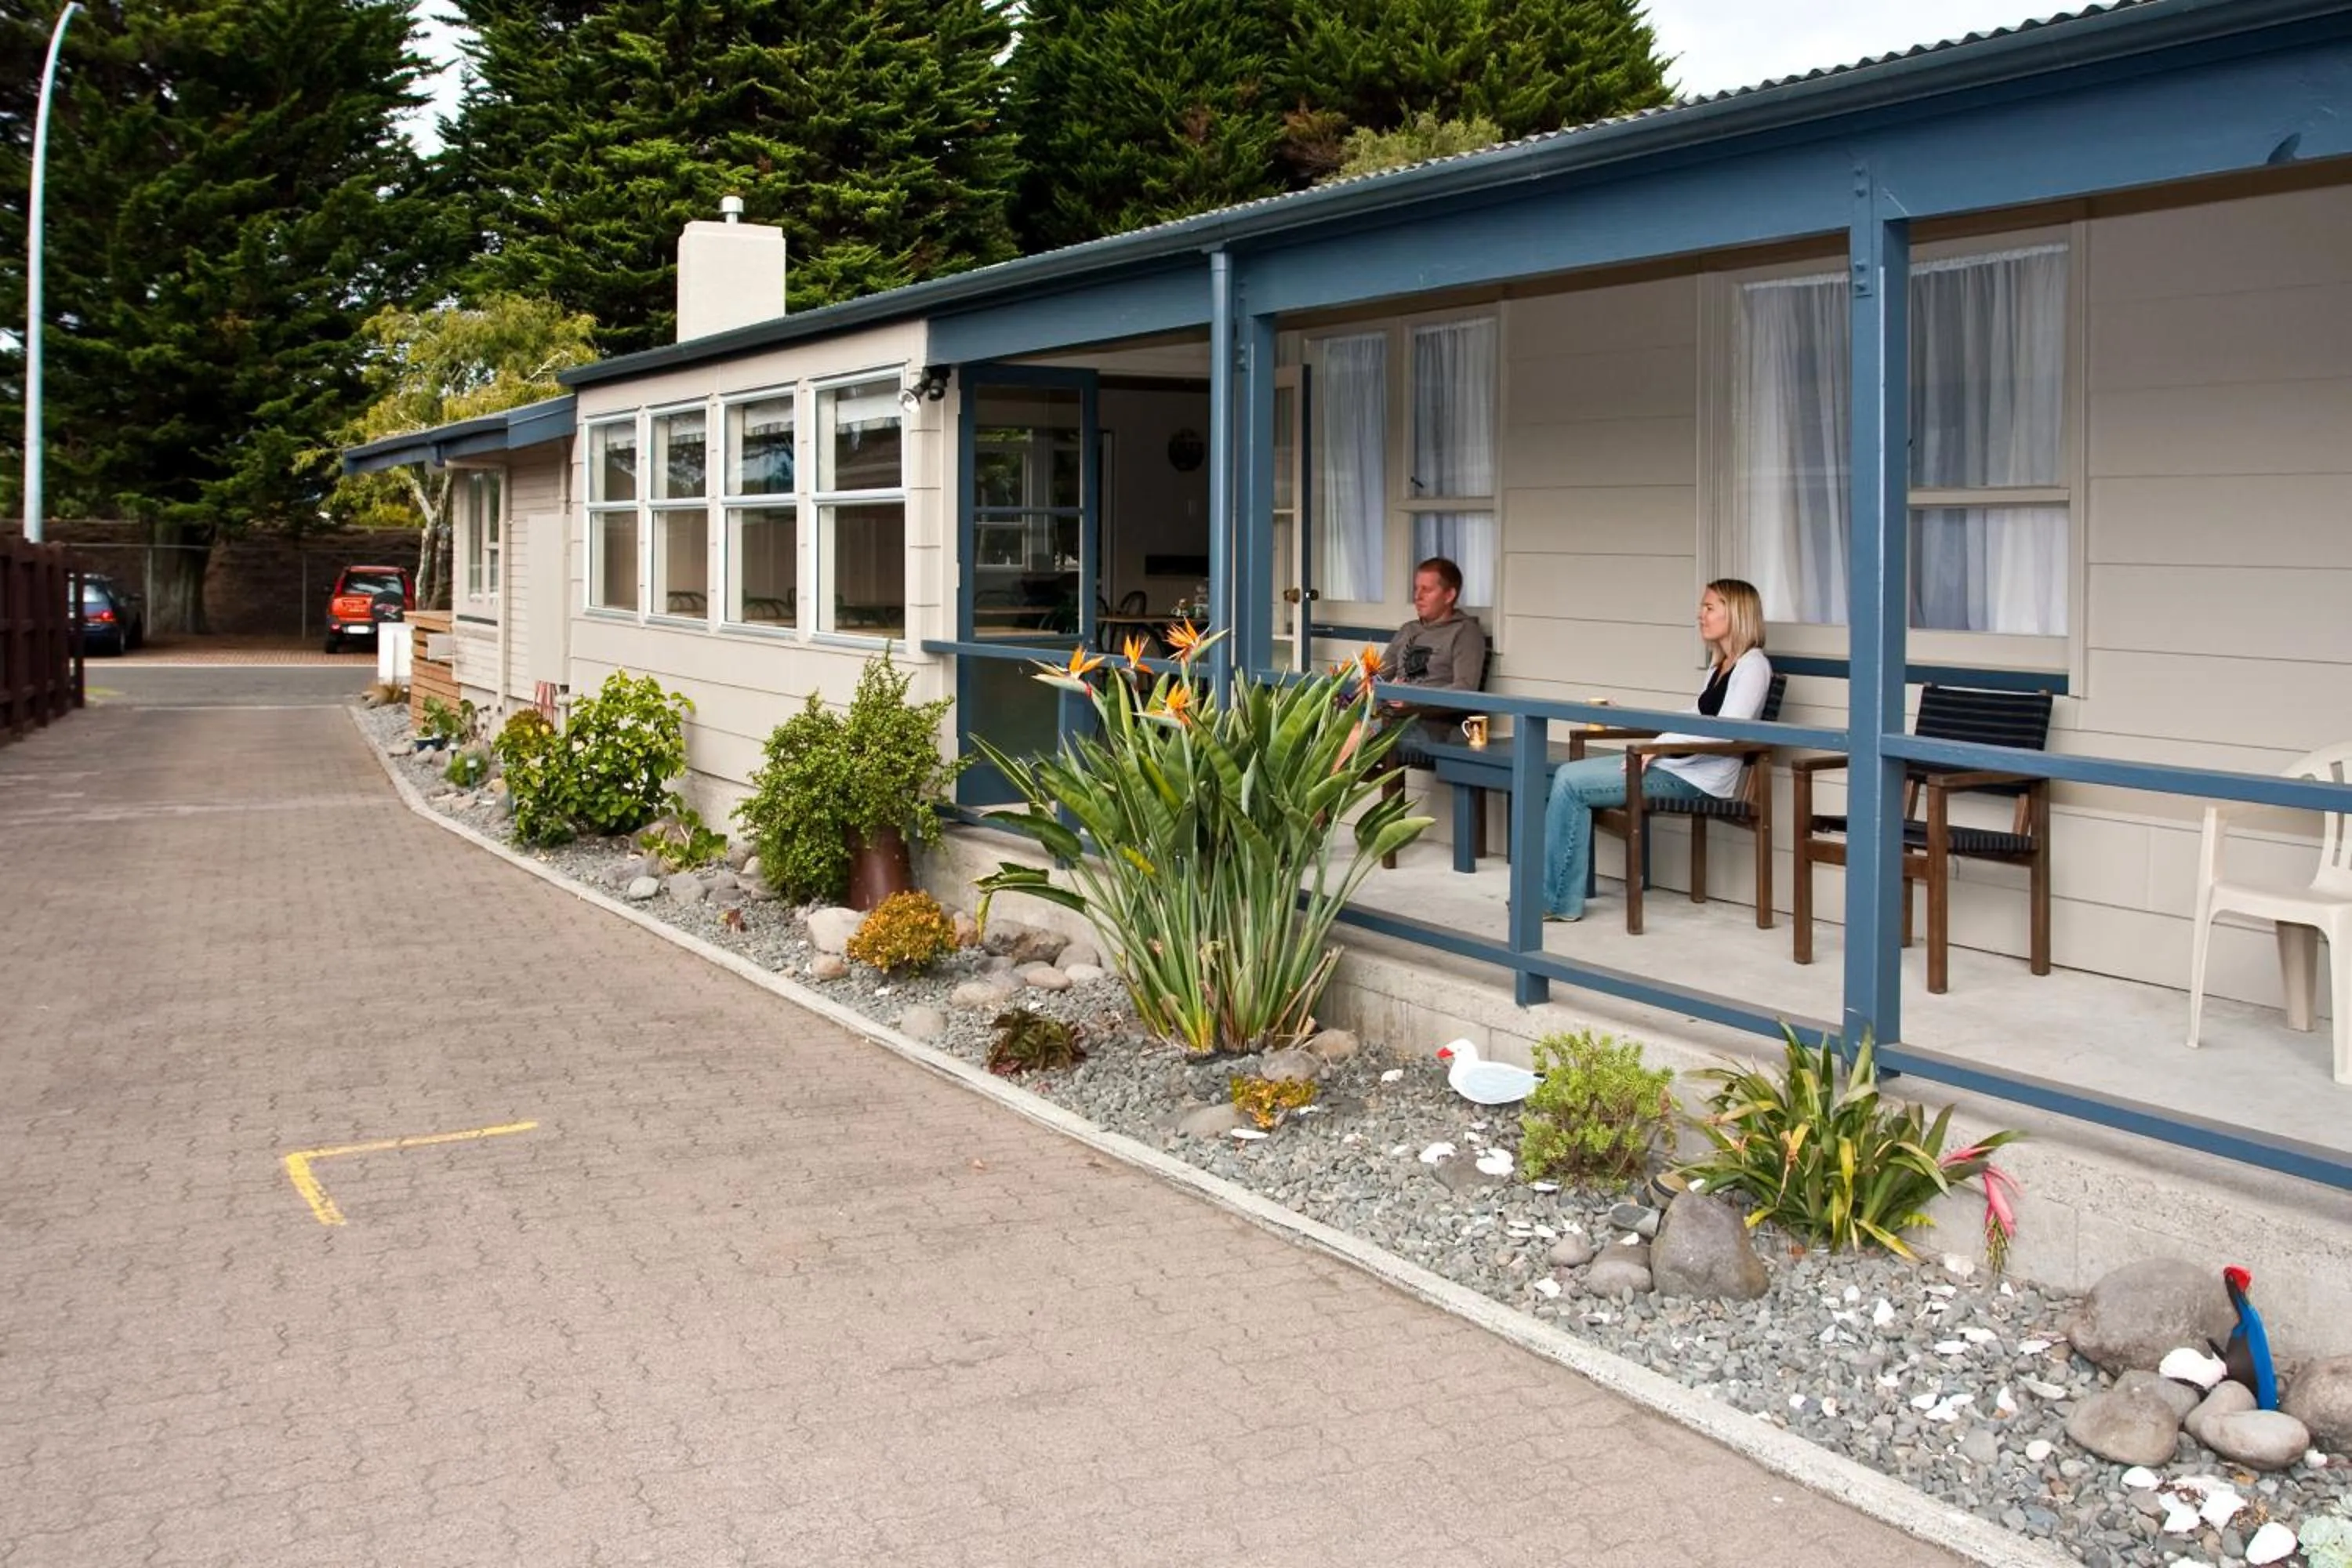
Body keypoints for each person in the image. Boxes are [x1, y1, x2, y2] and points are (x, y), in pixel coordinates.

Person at [1541, 579, 1771, 922]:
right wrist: (1634, 718)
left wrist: (1659, 747)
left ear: (1736, 613)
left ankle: (1557, 902)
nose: (1701, 614)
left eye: (1709, 607)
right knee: (1567, 774)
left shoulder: (1753, 666)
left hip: (1699, 780)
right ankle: (1555, 897)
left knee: (1572, 784)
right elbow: (1696, 715)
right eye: (1702, 607)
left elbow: (1727, 731)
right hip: (1677, 767)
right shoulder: (1721, 664)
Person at [1377, 557, 1487, 765]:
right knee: (1338, 732)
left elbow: (1465, 688)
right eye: (1416, 589)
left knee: (1350, 737)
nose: (1417, 597)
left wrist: (1412, 699)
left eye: (1426, 590)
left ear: (1449, 595)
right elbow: (1378, 675)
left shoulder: (1465, 632)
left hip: (1434, 726)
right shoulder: (1408, 630)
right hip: (1392, 719)